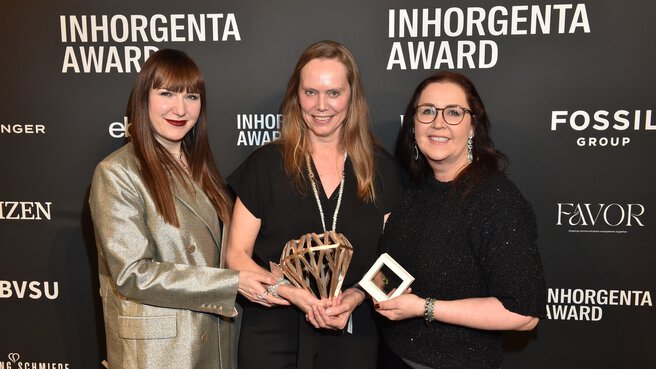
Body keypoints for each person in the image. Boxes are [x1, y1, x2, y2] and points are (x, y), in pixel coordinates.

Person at [88, 48, 273, 369]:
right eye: (167, 93)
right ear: (143, 99)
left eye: (191, 96)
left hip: (214, 337)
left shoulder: (204, 170)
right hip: (159, 352)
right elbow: (132, 273)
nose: (180, 108)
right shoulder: (117, 172)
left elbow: (223, 252)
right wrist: (230, 284)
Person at [226, 40, 404, 369]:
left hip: (353, 333)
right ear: (297, 96)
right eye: (311, 92)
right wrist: (291, 293)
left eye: (334, 93)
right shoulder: (265, 164)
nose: (321, 106)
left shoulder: (384, 171)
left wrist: (356, 296)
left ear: (353, 97)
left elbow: (397, 266)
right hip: (272, 332)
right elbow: (235, 255)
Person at [375, 71, 547, 369]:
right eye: (427, 111)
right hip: (393, 357)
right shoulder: (415, 190)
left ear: (472, 127)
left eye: (453, 112)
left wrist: (424, 308)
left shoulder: (495, 199)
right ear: (413, 124)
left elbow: (522, 314)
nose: (438, 122)